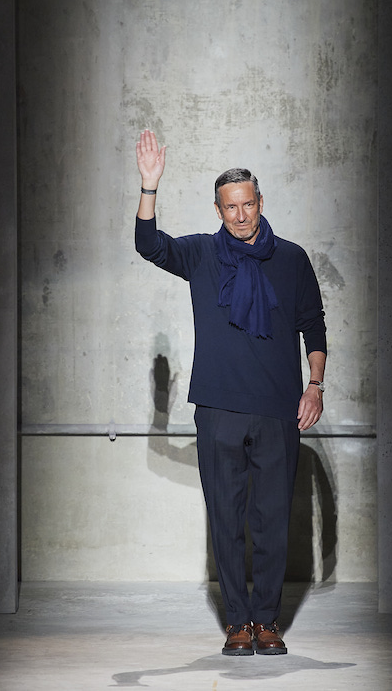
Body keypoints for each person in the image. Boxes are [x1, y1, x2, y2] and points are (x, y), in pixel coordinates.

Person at [135, 129, 327, 656]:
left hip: (277, 409)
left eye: (247, 204)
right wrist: (150, 185)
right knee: (225, 520)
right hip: (218, 408)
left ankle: (267, 620)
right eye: (230, 208)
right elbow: (149, 245)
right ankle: (237, 623)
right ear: (218, 210)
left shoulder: (291, 258)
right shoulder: (201, 253)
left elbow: (313, 323)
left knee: (272, 521)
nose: (240, 216)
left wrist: (315, 385)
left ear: (260, 201)